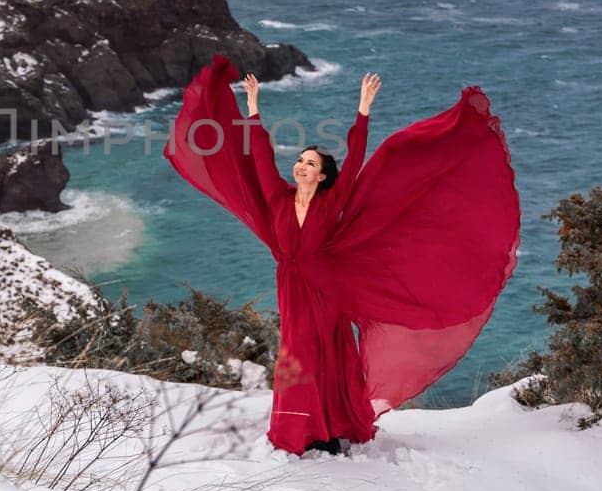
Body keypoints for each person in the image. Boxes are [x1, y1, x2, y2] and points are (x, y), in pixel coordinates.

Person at [163, 54, 520, 456]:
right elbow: (259, 155)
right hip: (293, 287)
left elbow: (355, 161)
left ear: (322, 175)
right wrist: (253, 109)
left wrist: (363, 111)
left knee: (328, 356)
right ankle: (299, 431)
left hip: (324, 289)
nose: (300, 166)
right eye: (299, 161)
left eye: (309, 163)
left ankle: (330, 429)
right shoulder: (277, 198)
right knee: (296, 355)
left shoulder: (331, 204)